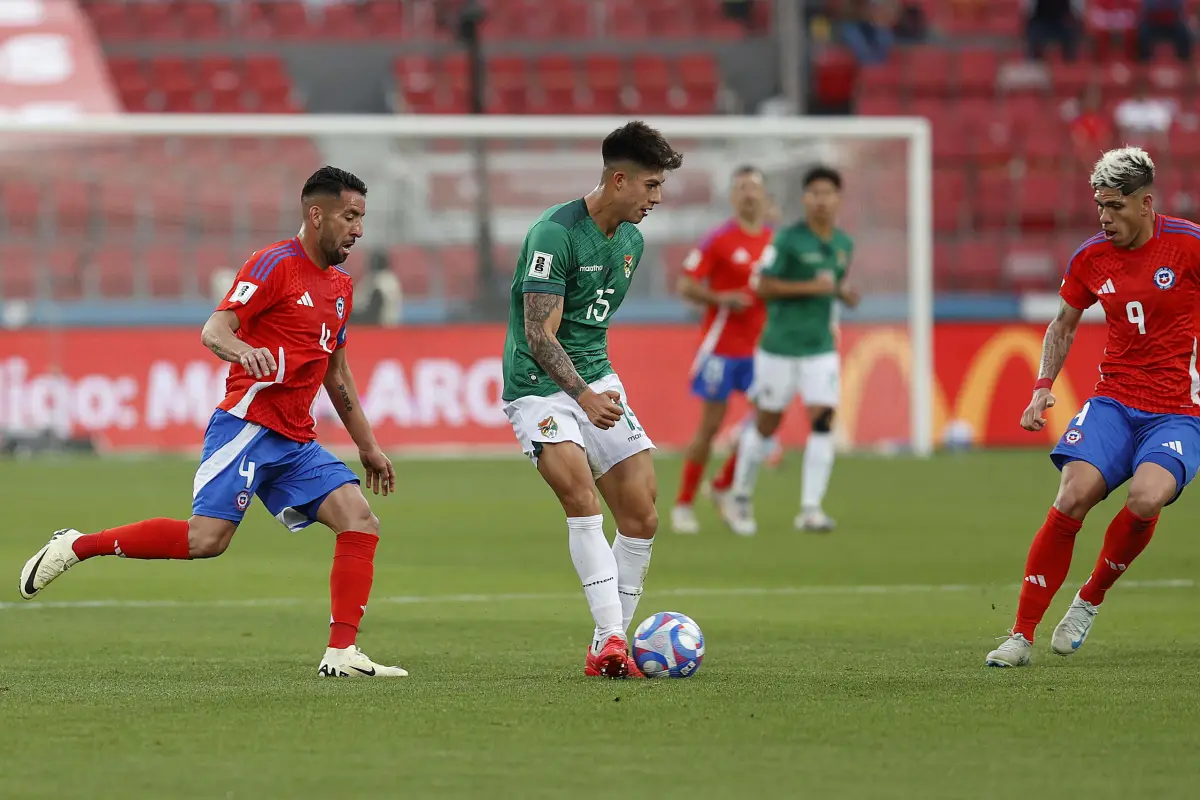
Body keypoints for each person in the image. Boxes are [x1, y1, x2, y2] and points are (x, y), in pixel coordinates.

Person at [18, 167, 408, 679]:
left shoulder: (340, 287)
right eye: (349, 216)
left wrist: (368, 446)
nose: (358, 229)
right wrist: (246, 352)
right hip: (248, 427)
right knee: (207, 540)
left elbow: (336, 373)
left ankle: (341, 654)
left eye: (362, 218)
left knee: (359, 519)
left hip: (295, 438)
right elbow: (215, 329)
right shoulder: (274, 265)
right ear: (316, 215)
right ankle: (76, 545)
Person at [987, 146, 1200, 667]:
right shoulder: (1090, 257)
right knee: (1073, 494)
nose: (1105, 218)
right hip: (1115, 401)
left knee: (1148, 499)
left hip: (1179, 410)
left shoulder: (1190, 247)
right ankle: (1020, 634)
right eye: (1099, 206)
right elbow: (1063, 324)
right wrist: (1042, 386)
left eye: (1116, 207)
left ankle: (1089, 599)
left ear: (1146, 203)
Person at [500, 121, 684, 679]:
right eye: (651, 186)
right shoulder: (554, 234)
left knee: (642, 513)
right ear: (619, 179)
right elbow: (539, 334)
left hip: (595, 379)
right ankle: (609, 641)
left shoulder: (631, 241)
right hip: (539, 388)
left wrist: (595, 389)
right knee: (581, 499)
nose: (657, 198)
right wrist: (580, 394)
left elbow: (590, 328)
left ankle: (614, 643)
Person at [721, 166, 860, 536]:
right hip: (779, 347)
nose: (820, 200)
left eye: (827, 193)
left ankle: (811, 509)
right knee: (766, 424)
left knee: (823, 420)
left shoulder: (844, 244)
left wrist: (842, 293)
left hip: (820, 349)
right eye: (813, 192)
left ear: (838, 199)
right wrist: (813, 287)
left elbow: (832, 285)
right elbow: (761, 286)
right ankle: (741, 495)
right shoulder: (786, 240)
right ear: (805, 198)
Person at [670, 166, 774, 535]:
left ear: (764, 196)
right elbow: (686, 285)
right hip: (721, 347)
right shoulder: (718, 241)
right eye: (741, 187)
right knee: (710, 426)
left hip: (760, 349)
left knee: (767, 420)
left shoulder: (773, 243)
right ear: (733, 197)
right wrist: (720, 298)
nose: (748, 193)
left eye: (754, 187)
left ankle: (723, 486)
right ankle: (684, 503)